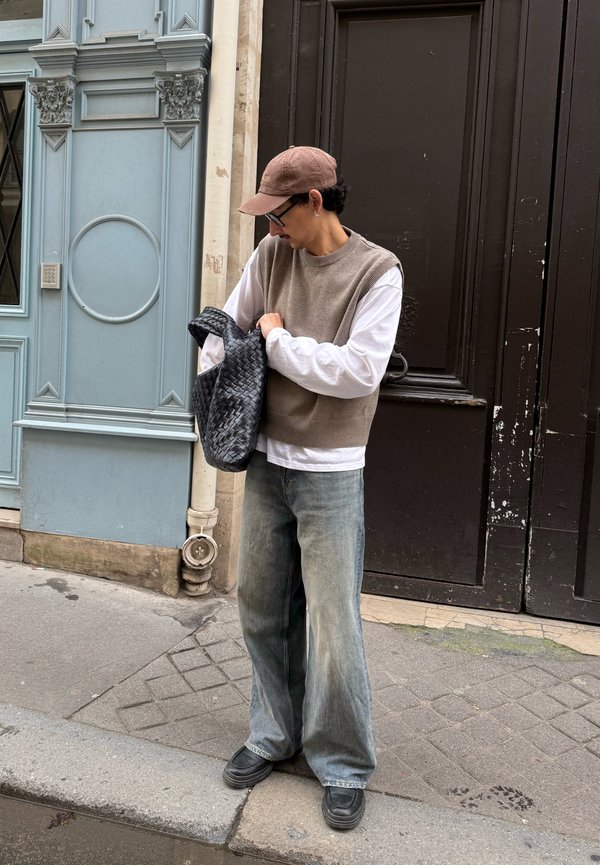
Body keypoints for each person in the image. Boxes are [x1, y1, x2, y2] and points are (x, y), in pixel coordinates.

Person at [201, 145, 403, 830]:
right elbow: (232, 327)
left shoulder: (377, 272)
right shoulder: (270, 257)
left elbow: (358, 372)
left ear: (314, 200)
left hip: (331, 470)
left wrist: (278, 341)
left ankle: (342, 763)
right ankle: (272, 735)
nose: (270, 228)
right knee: (260, 606)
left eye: (278, 214)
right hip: (264, 460)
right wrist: (220, 354)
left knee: (332, 624)